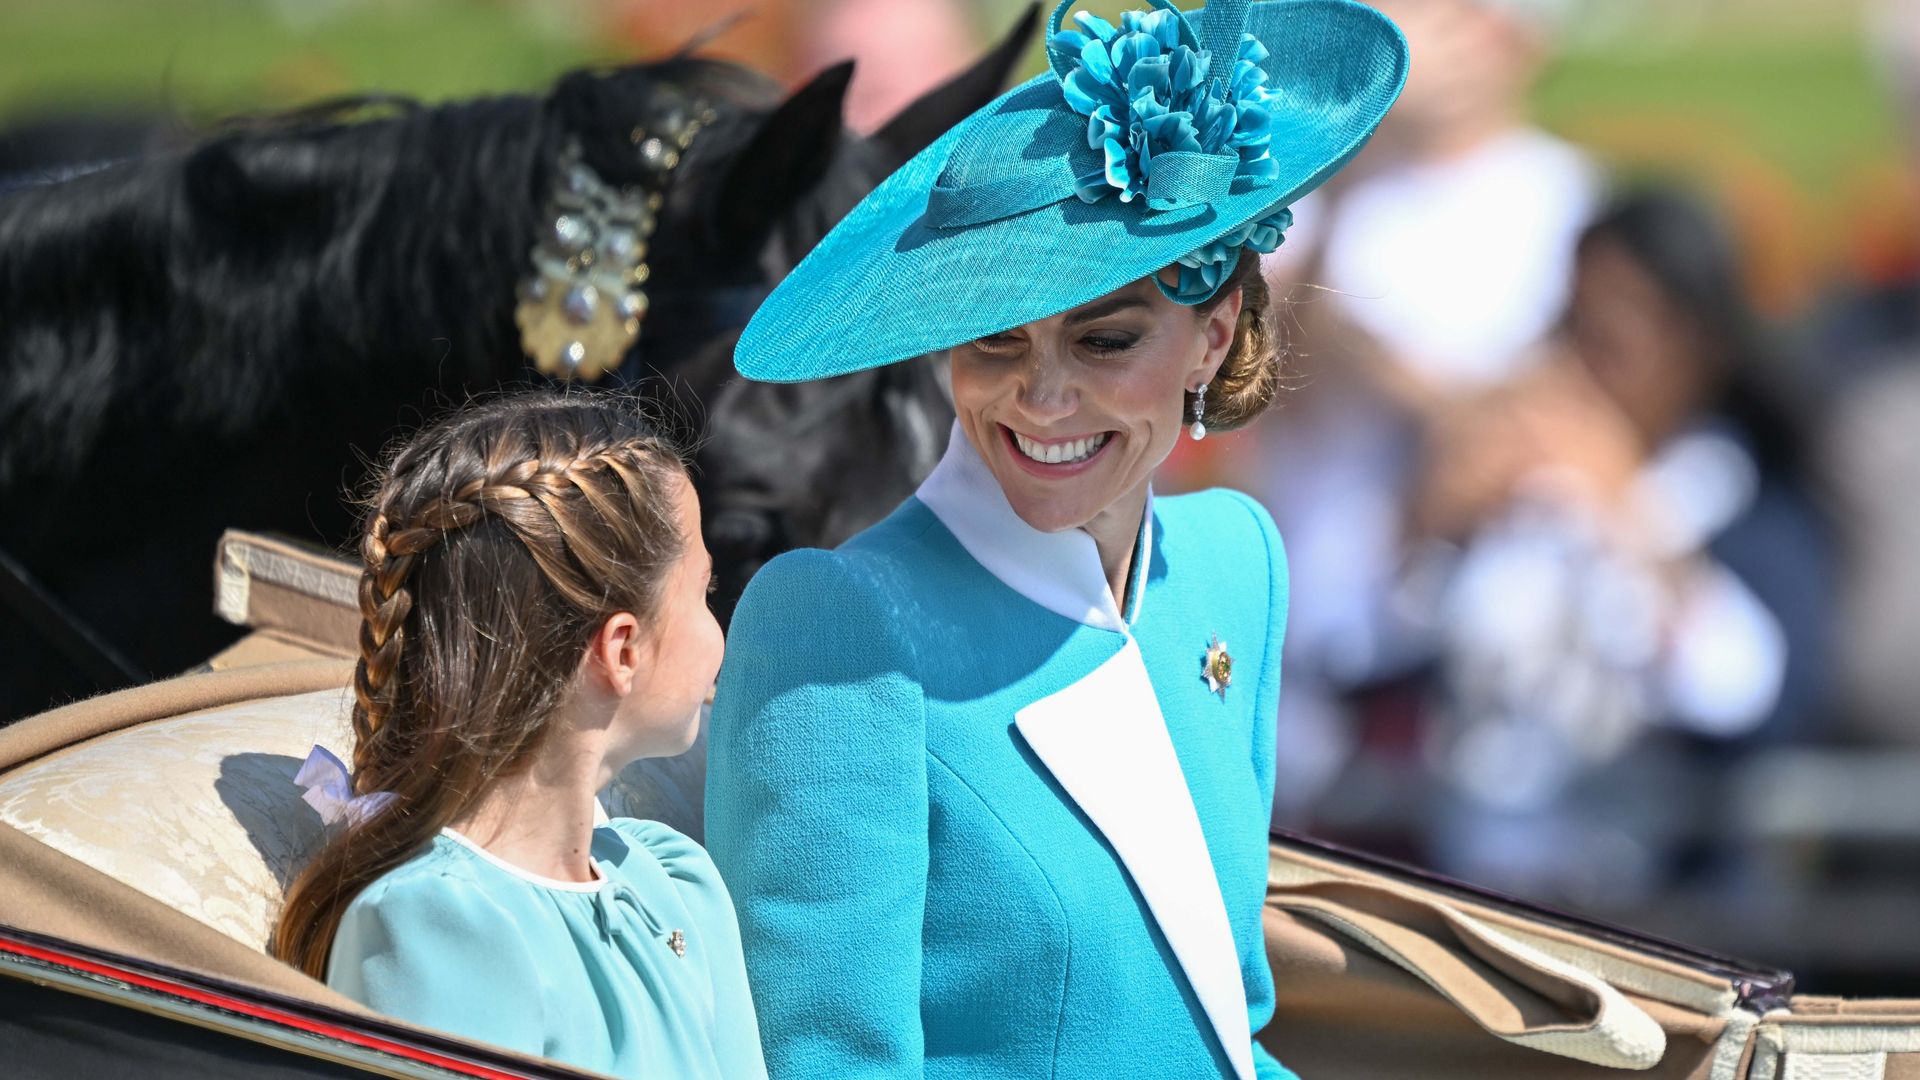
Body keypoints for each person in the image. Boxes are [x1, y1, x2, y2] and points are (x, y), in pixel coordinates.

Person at [703, 1, 1407, 1077]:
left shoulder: (1236, 562)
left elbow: (1230, 1018)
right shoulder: (839, 624)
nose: (1039, 397)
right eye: (994, 341)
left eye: (1104, 338)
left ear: (1210, 338)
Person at [272, 395, 767, 1080]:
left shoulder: (675, 878)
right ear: (622, 651)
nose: (721, 632)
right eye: (706, 594)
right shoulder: (435, 928)